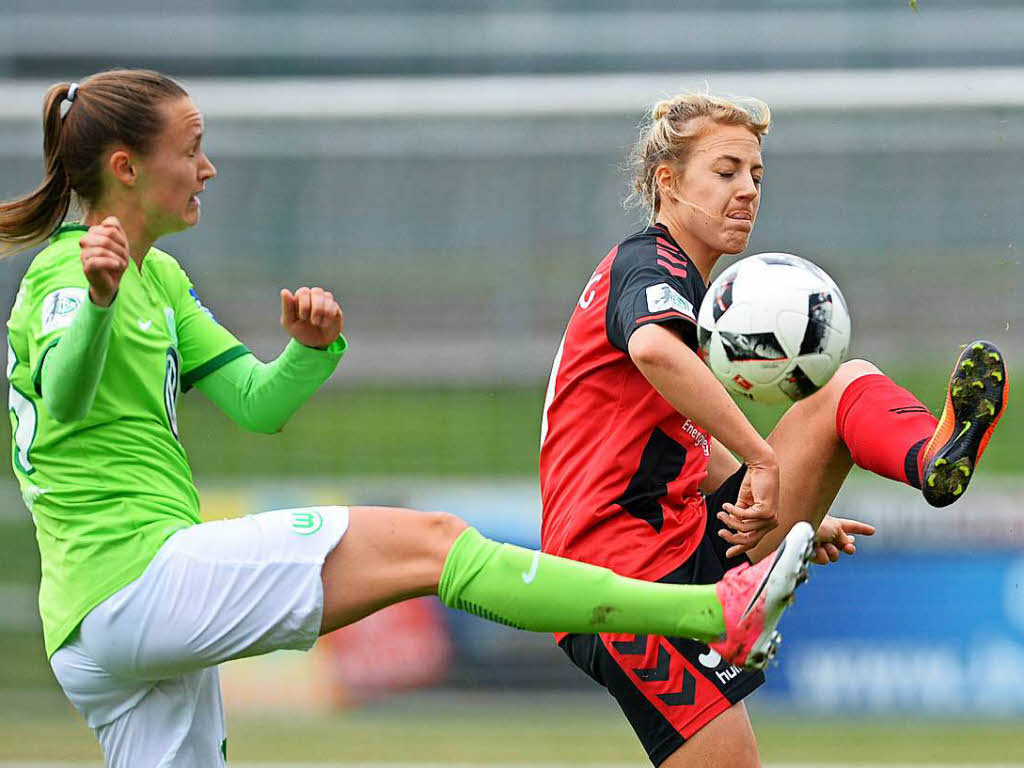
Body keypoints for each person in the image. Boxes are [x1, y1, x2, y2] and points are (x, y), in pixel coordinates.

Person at [0, 71, 820, 768]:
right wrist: (101, 306)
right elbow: (67, 395)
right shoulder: (71, 275)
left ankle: (718, 610)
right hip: (132, 578)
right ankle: (714, 612)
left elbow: (259, 405)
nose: (207, 168)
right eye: (190, 149)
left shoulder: (160, 278)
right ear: (126, 168)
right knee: (434, 543)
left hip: (98, 625)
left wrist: (310, 352)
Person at [539, 91, 1008, 768]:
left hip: (677, 542)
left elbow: (672, 447)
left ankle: (931, 453)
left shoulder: (690, 289)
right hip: (619, 580)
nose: (747, 191)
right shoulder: (649, 265)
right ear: (666, 182)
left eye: (757, 176)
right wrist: (764, 462)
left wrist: (794, 509)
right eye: (726, 171)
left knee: (846, 386)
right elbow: (653, 351)